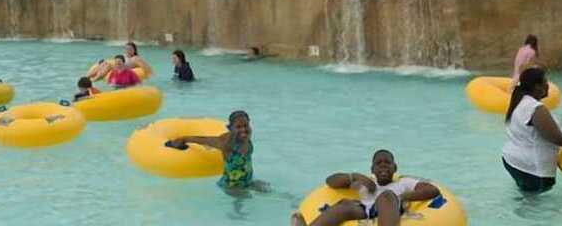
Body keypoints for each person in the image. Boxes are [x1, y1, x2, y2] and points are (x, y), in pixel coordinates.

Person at [502, 67, 562, 193]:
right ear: (537, 87)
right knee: (536, 209)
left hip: (513, 161)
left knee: (527, 200)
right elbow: (558, 138)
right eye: (545, 82)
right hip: (532, 169)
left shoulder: (519, 102)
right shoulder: (535, 108)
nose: (548, 85)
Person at [291, 150, 441, 226]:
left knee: (387, 195)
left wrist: (403, 196)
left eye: (387, 163)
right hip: (365, 210)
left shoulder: (403, 183)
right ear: (372, 169)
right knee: (345, 204)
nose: (383, 165)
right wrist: (355, 176)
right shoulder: (366, 183)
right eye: (378, 163)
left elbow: (432, 190)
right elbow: (331, 181)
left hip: (390, 207)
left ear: (395, 167)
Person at [169, 110, 266, 192]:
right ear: (230, 128)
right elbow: (204, 140)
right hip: (231, 187)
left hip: (247, 182)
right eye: (238, 127)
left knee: (267, 189)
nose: (243, 130)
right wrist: (183, 139)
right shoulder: (227, 143)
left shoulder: (246, 138)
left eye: (246, 125)